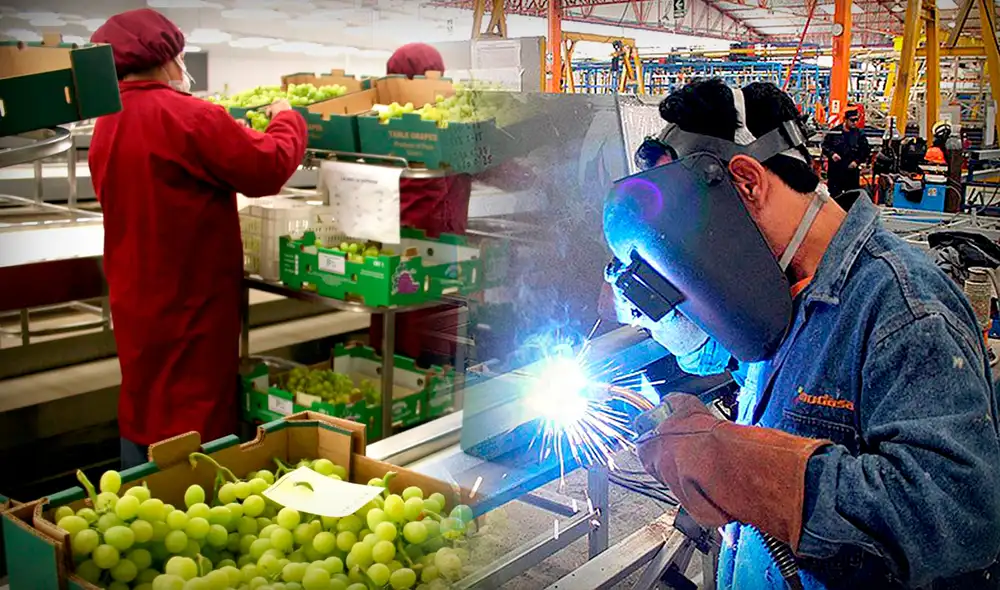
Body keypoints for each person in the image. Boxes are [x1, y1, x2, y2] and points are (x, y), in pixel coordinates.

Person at [607, 79, 1000, 588]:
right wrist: (664, 316)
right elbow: (724, 357)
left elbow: (957, 515)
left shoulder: (904, 309)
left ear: (746, 182)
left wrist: (742, 465)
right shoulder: (778, 287)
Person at [89, 9, 308, 468]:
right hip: (191, 298)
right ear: (166, 57)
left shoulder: (107, 121)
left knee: (146, 392)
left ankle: (138, 486)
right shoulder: (189, 116)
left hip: (137, 294)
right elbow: (266, 167)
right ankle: (195, 500)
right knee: (194, 404)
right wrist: (287, 119)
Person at [369, 43, 473, 365]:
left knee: (401, 330)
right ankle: (419, 394)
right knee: (426, 336)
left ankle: (403, 388)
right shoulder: (446, 120)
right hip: (435, 250)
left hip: (400, 247)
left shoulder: (389, 120)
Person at [821, 107, 870, 210]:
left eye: (856, 120)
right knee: (833, 196)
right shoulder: (834, 133)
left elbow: (865, 150)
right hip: (836, 170)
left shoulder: (859, 134)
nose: (855, 123)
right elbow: (825, 145)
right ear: (845, 120)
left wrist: (856, 162)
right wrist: (832, 154)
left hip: (851, 171)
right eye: (852, 120)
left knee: (852, 197)